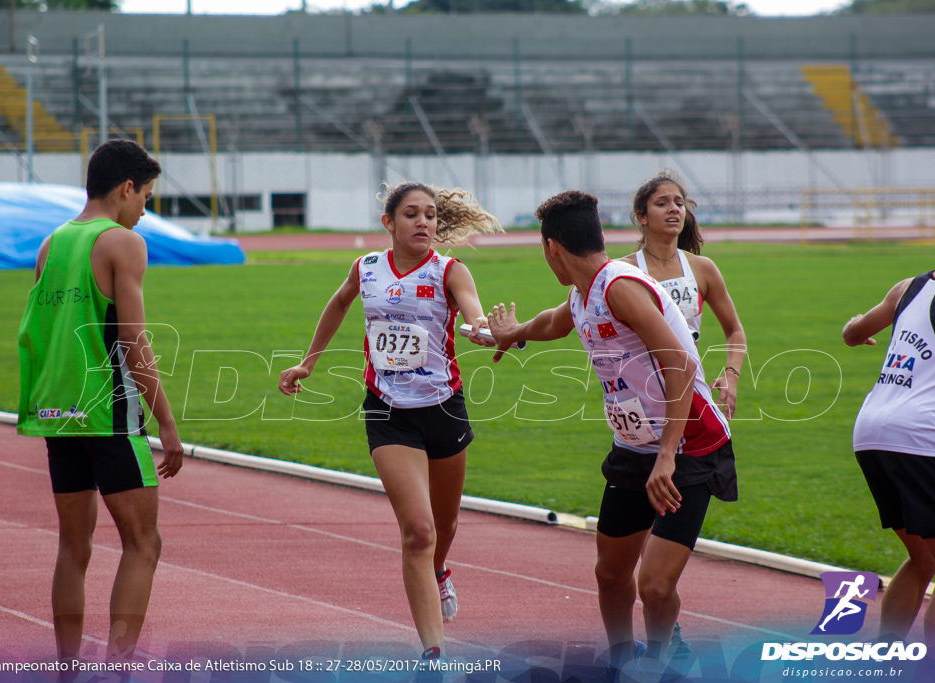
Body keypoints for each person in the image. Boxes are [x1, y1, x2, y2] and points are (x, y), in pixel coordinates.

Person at [487, 190, 736, 673]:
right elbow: (554, 324)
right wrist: (512, 332)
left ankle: (660, 663)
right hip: (633, 446)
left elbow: (681, 365)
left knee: (655, 586)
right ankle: (622, 662)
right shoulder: (584, 293)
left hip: (691, 443)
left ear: (551, 248)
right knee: (610, 572)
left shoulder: (620, 286)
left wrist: (667, 455)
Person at [279, 182, 500, 661]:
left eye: (430, 216)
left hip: (443, 408)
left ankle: (440, 571)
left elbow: (475, 316)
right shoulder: (367, 268)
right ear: (390, 223)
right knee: (418, 531)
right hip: (387, 412)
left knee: (444, 526)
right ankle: (433, 653)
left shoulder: (450, 271)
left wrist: (488, 331)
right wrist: (308, 363)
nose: (423, 222)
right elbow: (339, 302)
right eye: (411, 214)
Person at [16, 139, 184, 664]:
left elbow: (42, 333)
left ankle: (68, 669)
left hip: (56, 410)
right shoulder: (120, 243)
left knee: (74, 546)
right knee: (143, 542)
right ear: (126, 187)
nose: (143, 211)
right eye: (146, 198)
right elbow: (134, 342)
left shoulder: (51, 244)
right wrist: (169, 426)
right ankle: (118, 667)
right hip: (107, 410)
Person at [621, 171, 747, 657]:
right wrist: (513, 333)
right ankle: (664, 632)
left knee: (658, 566)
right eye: (661, 202)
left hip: (691, 416)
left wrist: (730, 376)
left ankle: (664, 638)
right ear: (641, 216)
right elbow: (576, 311)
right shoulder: (624, 270)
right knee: (638, 554)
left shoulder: (703, 269)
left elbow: (735, 332)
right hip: (638, 421)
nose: (674, 209)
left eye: (680, 202)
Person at [843, 197, 935, 658]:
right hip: (919, 437)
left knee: (925, 557)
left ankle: (884, 657)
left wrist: (861, 331)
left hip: (871, 432)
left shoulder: (908, 287)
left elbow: (852, 331)